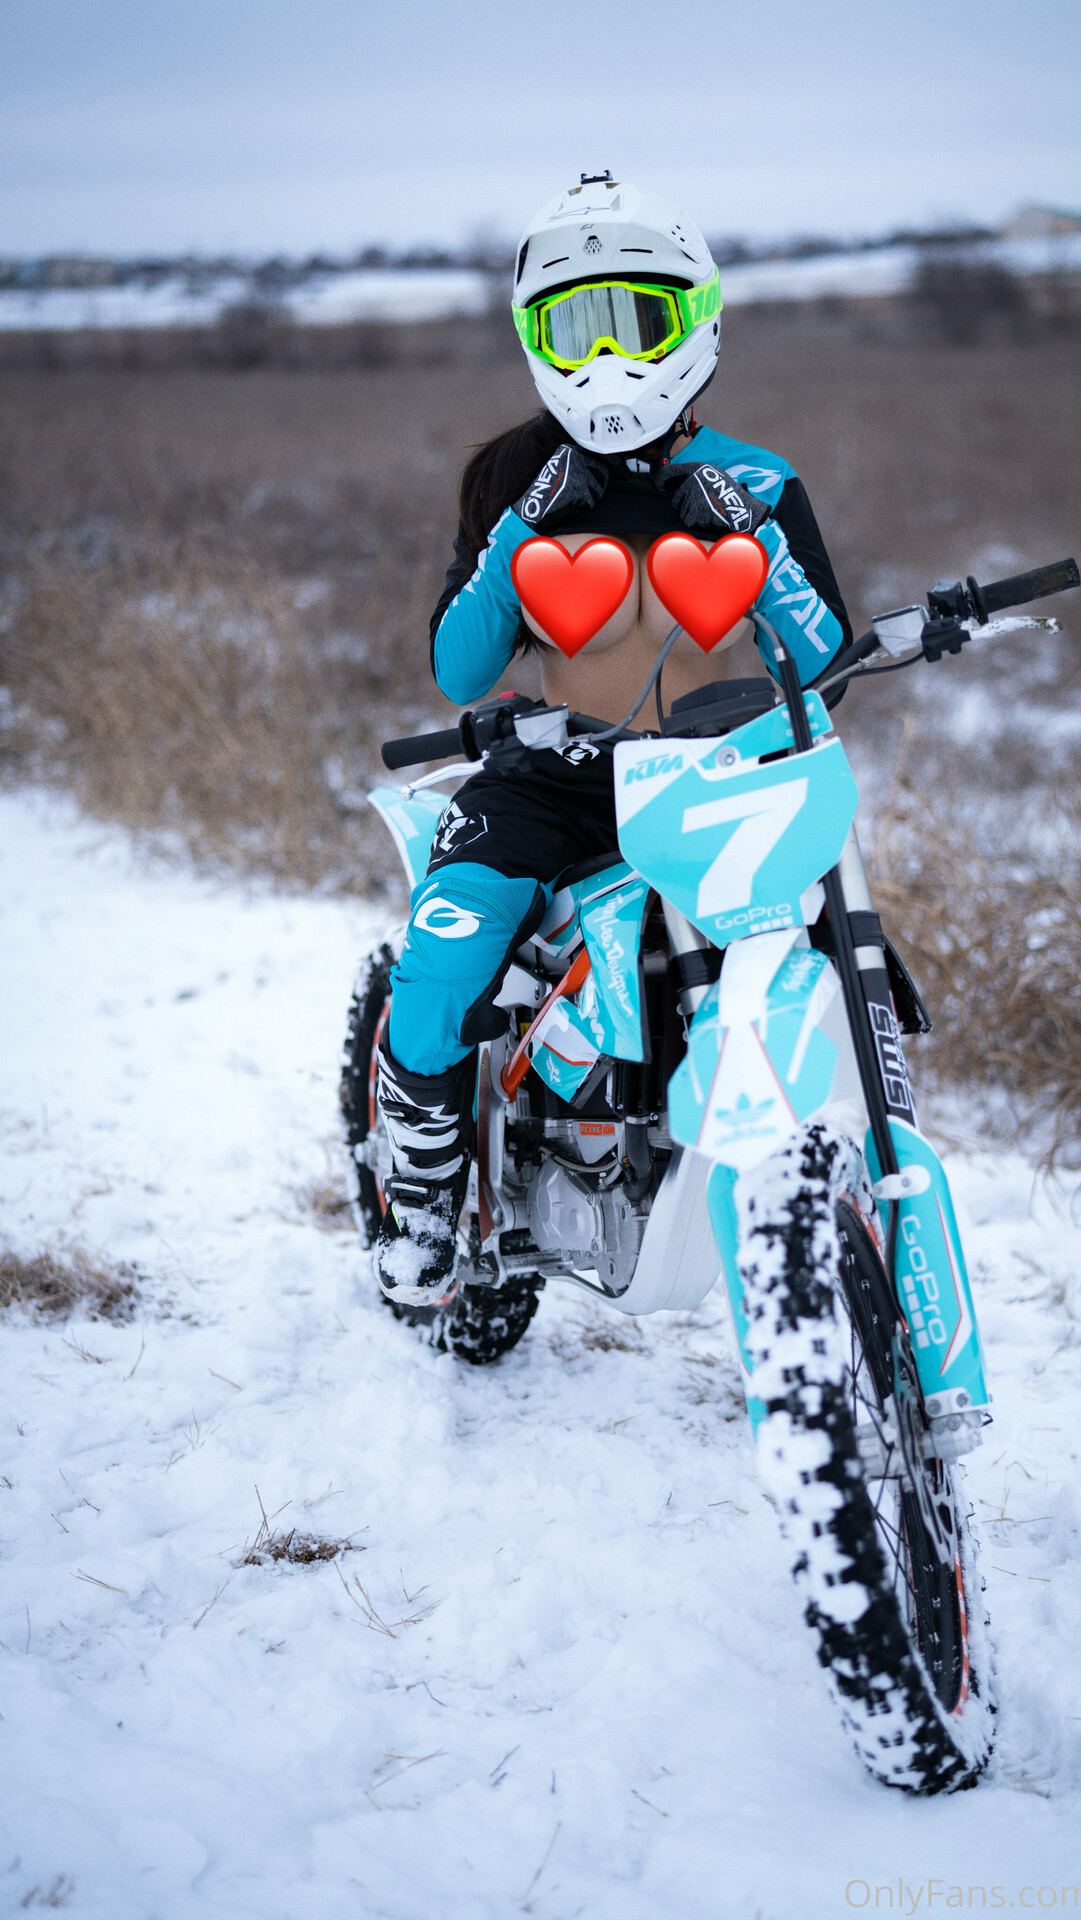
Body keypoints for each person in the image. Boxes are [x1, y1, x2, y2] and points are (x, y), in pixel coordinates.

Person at [375, 172, 855, 1306]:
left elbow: (824, 662)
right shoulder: (512, 478)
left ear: (694, 319)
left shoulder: (759, 477)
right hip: (549, 783)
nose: (605, 358)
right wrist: (524, 521)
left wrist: (751, 540)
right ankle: (423, 1199)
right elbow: (459, 668)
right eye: (571, 326)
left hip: (715, 781)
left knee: (817, 960)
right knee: (442, 959)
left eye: (634, 320)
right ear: (532, 337)